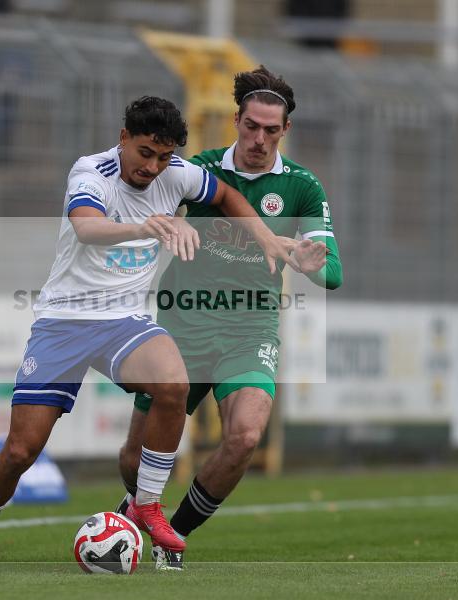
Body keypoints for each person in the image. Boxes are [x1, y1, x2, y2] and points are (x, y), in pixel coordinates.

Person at [0, 96, 300, 569]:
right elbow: (87, 228)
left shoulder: (177, 175)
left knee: (173, 382)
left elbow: (226, 195)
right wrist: (146, 227)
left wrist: (266, 238)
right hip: (64, 322)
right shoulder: (91, 172)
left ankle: (147, 503)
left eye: (164, 157)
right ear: (124, 139)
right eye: (145, 153)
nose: (153, 167)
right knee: (20, 450)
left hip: (123, 321)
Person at [117, 67, 344, 570]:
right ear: (236, 120)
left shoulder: (302, 188)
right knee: (133, 459)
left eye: (271, 130)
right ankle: (133, 512)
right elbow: (145, 211)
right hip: (184, 327)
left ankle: (171, 537)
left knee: (243, 437)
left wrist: (314, 264)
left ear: (285, 131)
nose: (259, 139)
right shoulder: (197, 170)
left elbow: (333, 273)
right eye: (251, 126)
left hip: (250, 330)